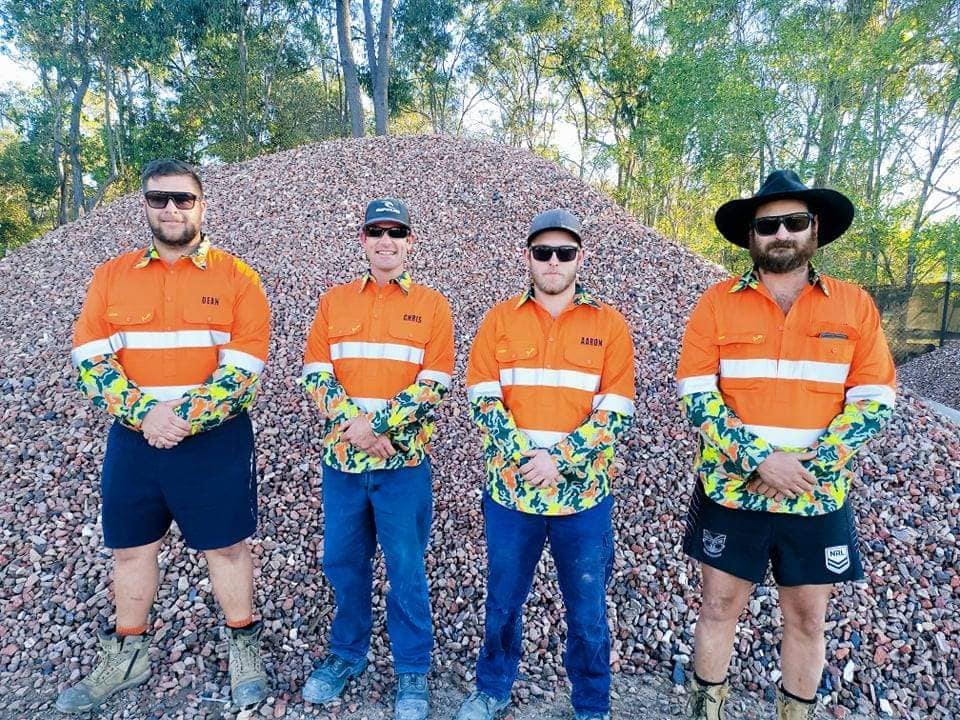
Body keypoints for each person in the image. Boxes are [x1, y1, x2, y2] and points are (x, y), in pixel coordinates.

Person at [676, 170, 897, 720]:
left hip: (816, 496)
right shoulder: (717, 305)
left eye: (793, 222)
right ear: (751, 236)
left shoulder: (854, 306)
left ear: (814, 230)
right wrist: (759, 459)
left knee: (807, 618)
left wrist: (807, 466)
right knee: (719, 608)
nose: (781, 234)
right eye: (768, 224)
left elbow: (874, 400)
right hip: (732, 493)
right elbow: (698, 396)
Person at [59, 158, 271, 713]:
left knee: (226, 546)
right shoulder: (111, 276)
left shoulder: (238, 277)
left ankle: (243, 645)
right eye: (159, 199)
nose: (171, 208)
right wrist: (145, 414)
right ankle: (129, 655)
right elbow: (90, 357)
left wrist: (181, 417)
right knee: (130, 549)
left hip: (215, 440)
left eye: (182, 198)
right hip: (135, 439)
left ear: (203, 205)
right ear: (145, 205)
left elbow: (245, 366)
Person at [456, 208, 636, 720]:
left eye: (564, 253)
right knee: (503, 601)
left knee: (588, 611)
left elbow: (616, 409)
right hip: (512, 496)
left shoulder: (609, 325)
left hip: (583, 500)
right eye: (543, 252)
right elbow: (484, 401)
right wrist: (527, 460)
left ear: (581, 258)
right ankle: (492, 688)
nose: (553, 262)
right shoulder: (499, 321)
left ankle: (591, 703)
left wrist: (560, 460)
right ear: (528, 258)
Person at [299, 198, 455, 720]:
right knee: (343, 563)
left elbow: (434, 383)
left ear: (410, 241)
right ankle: (347, 654)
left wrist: (378, 427)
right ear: (362, 240)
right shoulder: (333, 303)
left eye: (396, 232)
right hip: (343, 467)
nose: (385, 241)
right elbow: (316, 375)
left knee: (406, 568)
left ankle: (412, 671)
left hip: (403, 468)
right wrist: (358, 429)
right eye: (376, 232)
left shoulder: (433, 306)